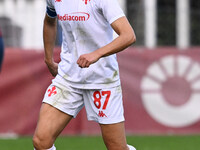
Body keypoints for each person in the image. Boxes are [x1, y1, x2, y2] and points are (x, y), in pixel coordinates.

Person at [33, 0, 136, 150]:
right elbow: (49, 22)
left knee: (116, 147)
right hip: (68, 78)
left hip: (102, 80)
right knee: (41, 141)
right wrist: (48, 59)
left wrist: (97, 54)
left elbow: (128, 35)